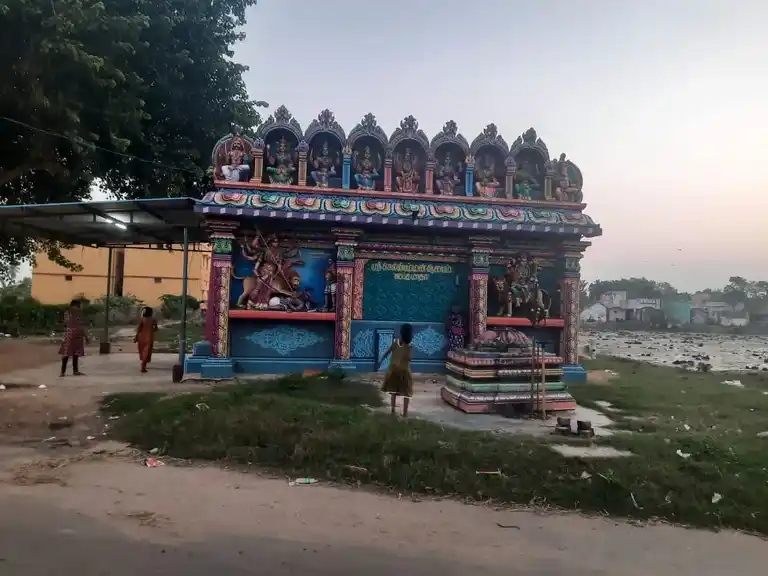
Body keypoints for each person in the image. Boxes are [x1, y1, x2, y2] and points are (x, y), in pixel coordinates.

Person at [377, 323, 414, 417]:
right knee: (407, 393)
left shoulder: (395, 341)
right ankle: (405, 414)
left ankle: (393, 411)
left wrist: (380, 360)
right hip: (404, 371)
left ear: (401, 333)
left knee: (393, 391)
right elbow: (409, 358)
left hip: (393, 370)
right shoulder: (409, 345)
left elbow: (386, 352)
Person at [59, 299, 87, 377]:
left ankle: (66, 371)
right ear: (75, 305)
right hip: (74, 334)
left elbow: (67, 323)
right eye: (79, 305)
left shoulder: (69, 312)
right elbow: (79, 325)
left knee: (71, 353)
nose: (80, 307)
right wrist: (86, 336)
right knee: (71, 353)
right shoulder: (75, 313)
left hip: (72, 334)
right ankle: (71, 371)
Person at [134, 306, 159, 373]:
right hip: (149, 337)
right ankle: (143, 366)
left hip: (141, 337)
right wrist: (152, 330)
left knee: (142, 351)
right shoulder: (153, 320)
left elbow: (139, 329)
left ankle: (143, 364)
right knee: (147, 352)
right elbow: (156, 329)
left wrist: (136, 337)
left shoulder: (142, 319)